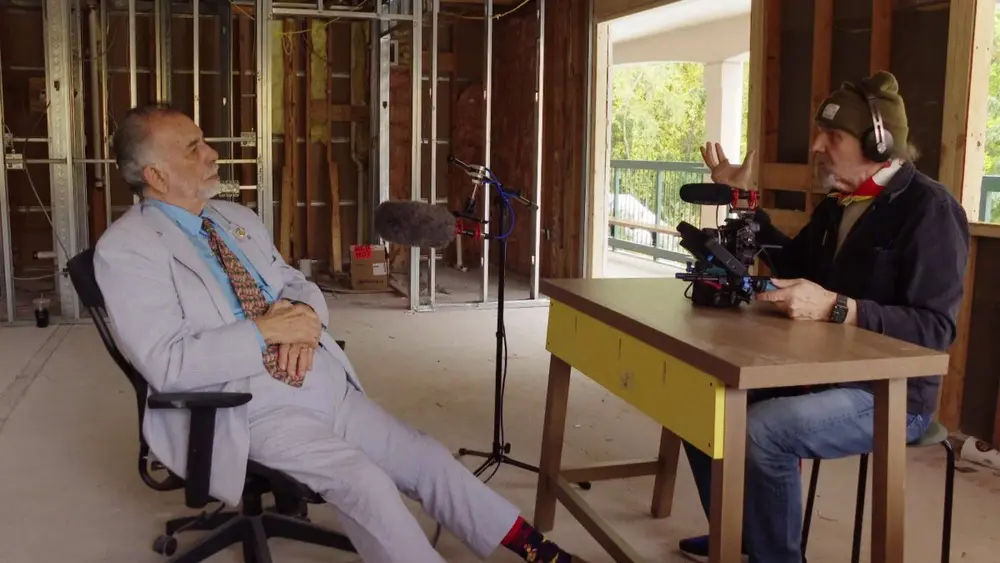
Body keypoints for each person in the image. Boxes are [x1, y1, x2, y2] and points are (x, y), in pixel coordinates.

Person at [94, 104, 583, 563]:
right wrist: (266, 331)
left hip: (318, 374)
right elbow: (169, 363)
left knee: (426, 458)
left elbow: (293, 282)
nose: (211, 154)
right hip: (243, 403)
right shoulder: (127, 250)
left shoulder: (235, 218)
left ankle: (538, 550)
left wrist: (305, 318)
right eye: (192, 148)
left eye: (204, 141)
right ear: (156, 176)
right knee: (365, 484)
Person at [675, 71, 970, 562]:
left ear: (878, 144)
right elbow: (795, 265)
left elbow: (936, 330)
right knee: (699, 403)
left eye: (832, 136)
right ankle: (741, 534)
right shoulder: (839, 203)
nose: (816, 145)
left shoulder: (932, 210)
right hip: (816, 369)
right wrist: (745, 204)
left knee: (763, 429)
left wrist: (841, 308)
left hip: (890, 393)